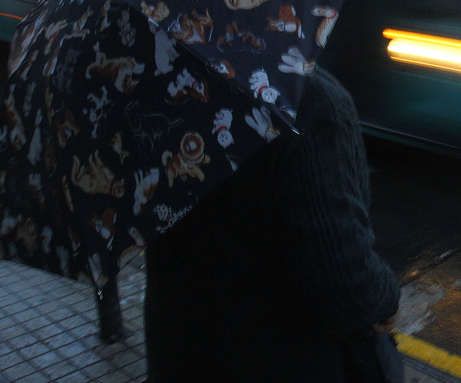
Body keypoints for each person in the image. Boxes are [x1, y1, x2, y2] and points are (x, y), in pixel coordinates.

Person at [144, 68, 401, 382]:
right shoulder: (308, 101)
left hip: (180, 356)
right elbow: (346, 287)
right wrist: (387, 298)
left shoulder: (155, 87)